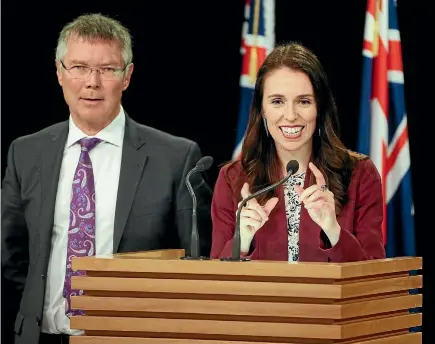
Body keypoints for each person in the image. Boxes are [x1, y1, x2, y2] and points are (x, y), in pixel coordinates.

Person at [1, 13, 212, 344]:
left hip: (131, 338)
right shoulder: (26, 153)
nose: (92, 82)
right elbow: (10, 256)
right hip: (41, 336)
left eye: (108, 69)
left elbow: (197, 264)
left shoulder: (176, 159)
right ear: (59, 72)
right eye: (79, 67)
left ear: (127, 76)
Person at [210, 42, 386, 262]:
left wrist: (334, 232)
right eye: (277, 102)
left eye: (303, 101)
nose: (291, 115)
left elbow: (374, 276)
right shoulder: (233, 179)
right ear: (261, 110)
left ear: (319, 108)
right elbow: (216, 281)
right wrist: (241, 243)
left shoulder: (359, 175)